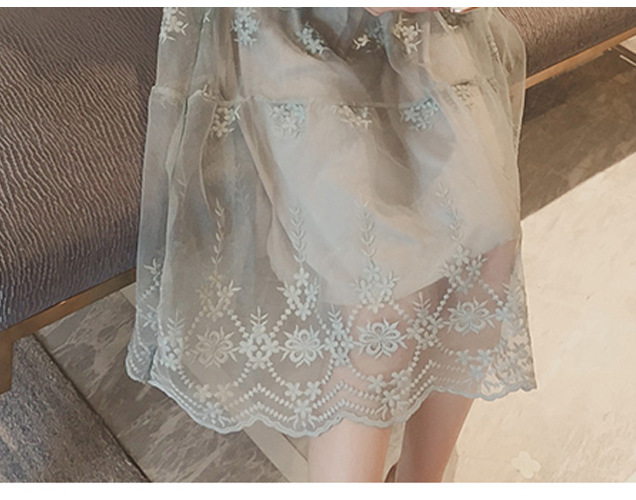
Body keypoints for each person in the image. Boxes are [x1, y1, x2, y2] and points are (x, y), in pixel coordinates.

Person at [125, 6, 538, 483]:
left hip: (420, 28)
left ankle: (417, 482)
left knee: (491, 244)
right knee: (378, 307)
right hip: (287, 29)